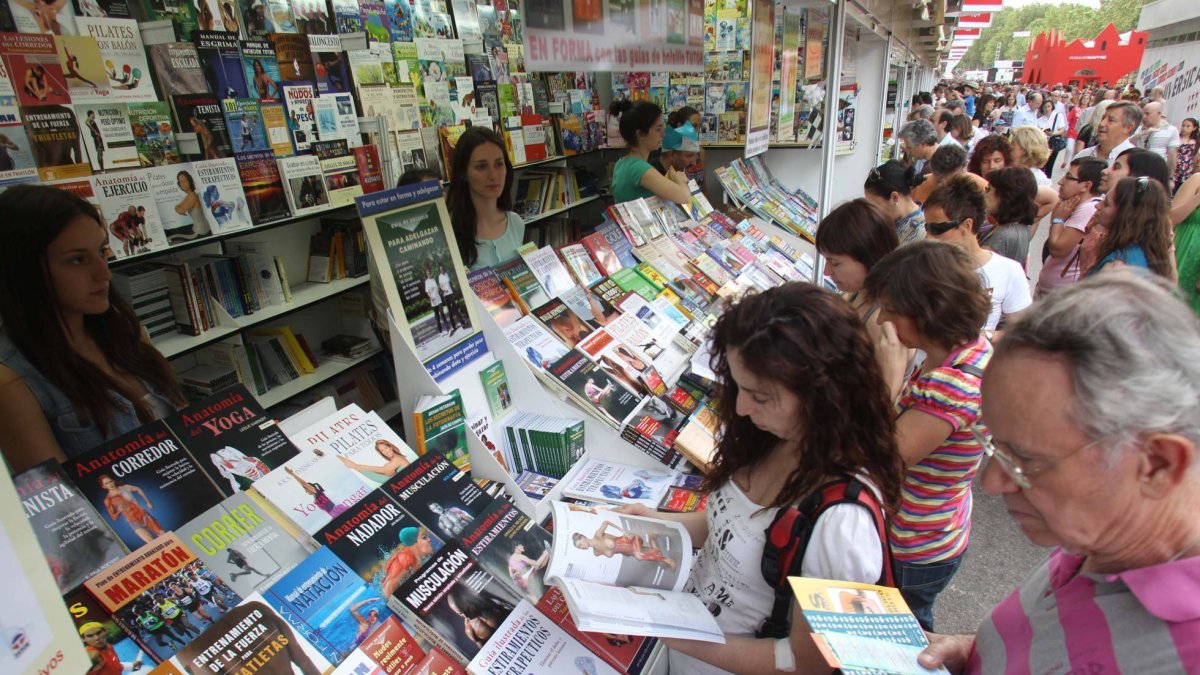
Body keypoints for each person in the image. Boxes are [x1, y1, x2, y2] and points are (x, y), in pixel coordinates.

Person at [917, 274, 1200, 675]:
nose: (992, 482)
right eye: (995, 444)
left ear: (1157, 465)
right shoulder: (1099, 531)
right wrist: (976, 652)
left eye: (1025, 461)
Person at [618, 283, 903, 674]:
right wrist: (659, 523)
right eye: (737, 386)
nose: (740, 406)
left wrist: (683, 635)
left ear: (823, 394)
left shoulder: (843, 521)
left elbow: (811, 664)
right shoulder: (774, 436)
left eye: (760, 395)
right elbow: (736, 527)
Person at [0, 189, 183, 470]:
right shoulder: (12, 381)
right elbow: (67, 504)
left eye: (101, 252)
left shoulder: (122, 330)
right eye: (77, 260)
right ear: (24, 270)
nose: (104, 273)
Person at [866, 241, 992, 631]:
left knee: (901, 638)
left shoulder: (952, 385)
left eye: (892, 309)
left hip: (914, 545)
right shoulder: (963, 352)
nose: (883, 317)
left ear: (928, 311)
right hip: (937, 527)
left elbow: (884, 457)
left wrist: (889, 373)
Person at [922, 176, 1032, 334]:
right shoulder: (924, 266)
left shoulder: (1009, 271)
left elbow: (1021, 331)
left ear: (967, 225)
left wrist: (982, 338)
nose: (929, 237)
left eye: (937, 229)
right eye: (927, 227)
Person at [814, 199, 899, 346]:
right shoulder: (859, 291)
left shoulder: (881, 322)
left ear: (869, 256)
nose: (826, 272)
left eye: (835, 263)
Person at [445, 127, 523, 271]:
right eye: (481, 167)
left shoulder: (516, 223)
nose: (493, 175)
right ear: (463, 173)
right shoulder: (448, 232)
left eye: (499, 164)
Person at [1037, 157, 1106, 296]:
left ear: (1086, 186)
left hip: (1060, 295)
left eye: (1068, 177)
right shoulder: (1077, 207)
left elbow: (1058, 248)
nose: (1060, 181)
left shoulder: (1089, 208)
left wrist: (1058, 219)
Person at [1087, 176, 1174, 279]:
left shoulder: (1116, 268)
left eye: (1106, 204)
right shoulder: (1150, 253)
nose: (1097, 206)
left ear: (1125, 214)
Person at [609, 100, 690, 205]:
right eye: (658, 129)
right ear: (641, 134)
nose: (663, 134)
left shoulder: (622, 163)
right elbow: (684, 197)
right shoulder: (639, 168)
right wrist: (681, 180)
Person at [980, 167, 1038, 267]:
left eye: (988, 189)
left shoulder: (1001, 236)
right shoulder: (1022, 227)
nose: (984, 194)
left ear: (1005, 196)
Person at [571, 521, 678, 571]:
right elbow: (616, 551)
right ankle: (651, 537)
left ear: (583, 537)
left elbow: (606, 522)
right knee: (655, 551)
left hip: (631, 540)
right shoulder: (596, 553)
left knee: (639, 556)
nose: (582, 547)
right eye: (579, 547)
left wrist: (624, 532)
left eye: (580, 544)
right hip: (630, 551)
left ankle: (667, 560)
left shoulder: (598, 536)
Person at [863, 160, 926, 244]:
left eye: (875, 205)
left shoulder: (922, 235)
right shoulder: (893, 223)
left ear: (894, 197)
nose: (872, 212)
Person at [1008, 125, 1059, 218]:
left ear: (1024, 149)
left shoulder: (1036, 178)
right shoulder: (1014, 170)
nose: (1009, 147)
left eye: (1013, 144)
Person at [913, 143, 985, 205]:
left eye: (953, 182)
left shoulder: (982, 189)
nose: (944, 186)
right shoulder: (918, 187)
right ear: (932, 170)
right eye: (939, 181)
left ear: (965, 168)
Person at [1075, 100, 1141, 166]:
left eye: (1111, 120)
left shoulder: (1136, 162)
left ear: (1127, 128)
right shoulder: (1083, 155)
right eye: (1103, 118)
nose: (1101, 124)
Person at [446, 585, 515, 647]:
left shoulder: (492, 603)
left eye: (466, 610)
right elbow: (485, 651)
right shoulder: (470, 629)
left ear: (470, 601)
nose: (466, 616)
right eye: (460, 613)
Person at [1132, 101, 1181, 176]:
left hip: (1157, 171)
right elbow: (1128, 143)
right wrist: (1142, 133)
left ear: (1159, 114)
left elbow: (1172, 157)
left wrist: (1170, 177)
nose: (1144, 117)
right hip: (1137, 169)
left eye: (1147, 114)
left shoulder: (1171, 130)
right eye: (1143, 114)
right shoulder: (1139, 129)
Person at [1035, 97, 1067, 176]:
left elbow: (1062, 129)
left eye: (1048, 106)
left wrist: (1053, 133)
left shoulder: (1057, 115)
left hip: (1053, 141)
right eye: (1045, 107)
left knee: (1050, 164)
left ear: (1052, 106)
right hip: (1043, 142)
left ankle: (1048, 180)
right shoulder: (1040, 119)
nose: (1047, 109)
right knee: (1042, 164)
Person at [1174, 117, 1198, 193]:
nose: (1184, 128)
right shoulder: (1176, 139)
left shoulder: (1194, 142)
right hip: (1175, 171)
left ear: (1194, 128)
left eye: (1188, 126)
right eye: (1183, 125)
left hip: (1186, 172)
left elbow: (1194, 158)